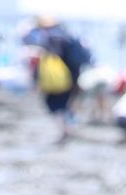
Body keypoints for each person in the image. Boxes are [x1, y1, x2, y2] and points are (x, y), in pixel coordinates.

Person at [25, 15, 90, 144]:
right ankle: (69, 127)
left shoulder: (50, 38)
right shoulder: (68, 36)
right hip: (72, 76)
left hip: (58, 78)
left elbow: (48, 61)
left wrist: (36, 78)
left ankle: (66, 130)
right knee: (66, 104)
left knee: (54, 104)